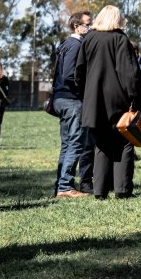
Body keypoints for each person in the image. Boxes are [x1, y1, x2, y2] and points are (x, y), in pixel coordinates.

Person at [75, 5, 141, 199]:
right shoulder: (120, 39)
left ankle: (100, 191)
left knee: (101, 145)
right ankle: (122, 189)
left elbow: (79, 71)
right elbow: (130, 74)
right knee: (124, 143)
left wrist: (86, 93)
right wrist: (136, 99)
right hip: (118, 100)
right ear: (117, 20)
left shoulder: (89, 39)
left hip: (93, 100)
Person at [52, 11, 92, 198]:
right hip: (72, 100)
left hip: (61, 98)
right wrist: (86, 86)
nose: (90, 28)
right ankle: (65, 186)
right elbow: (69, 74)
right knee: (76, 143)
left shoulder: (65, 44)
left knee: (67, 144)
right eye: (87, 24)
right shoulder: (76, 46)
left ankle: (61, 185)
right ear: (76, 26)